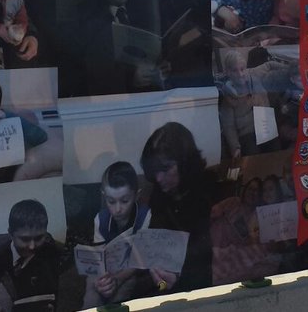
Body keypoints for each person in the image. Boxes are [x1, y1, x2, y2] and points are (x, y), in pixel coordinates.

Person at [63, 0, 165, 96]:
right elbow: (96, 74)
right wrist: (131, 79)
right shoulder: (89, 25)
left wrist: (163, 64)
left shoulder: (142, 2)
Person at [141, 122, 213, 293]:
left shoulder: (207, 193)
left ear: (185, 163)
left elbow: (207, 257)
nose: (158, 178)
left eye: (165, 169)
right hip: (166, 284)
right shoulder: (159, 195)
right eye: (155, 170)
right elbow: (156, 244)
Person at [84, 162, 152, 308]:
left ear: (136, 195)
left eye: (124, 201)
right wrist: (102, 281)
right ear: (104, 196)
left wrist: (117, 279)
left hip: (129, 270)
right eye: (111, 201)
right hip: (106, 268)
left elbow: (141, 259)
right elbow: (98, 256)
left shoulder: (145, 215)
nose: (118, 209)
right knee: (92, 286)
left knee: (123, 291)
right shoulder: (100, 219)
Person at [217, 48, 296, 159]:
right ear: (228, 72)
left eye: (242, 69)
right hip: (247, 134)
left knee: (276, 153)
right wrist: (235, 147)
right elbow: (228, 126)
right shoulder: (228, 97)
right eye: (235, 70)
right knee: (253, 156)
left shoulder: (255, 73)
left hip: (266, 127)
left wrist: (291, 70)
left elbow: (270, 65)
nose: (240, 74)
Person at [0, 199, 63, 312]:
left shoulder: (53, 254)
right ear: (10, 234)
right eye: (25, 239)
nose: (32, 246)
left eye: (39, 238)